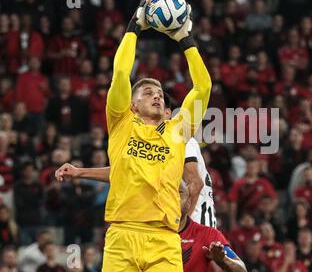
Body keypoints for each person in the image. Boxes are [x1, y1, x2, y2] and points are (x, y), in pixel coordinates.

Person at [84, 0, 210, 272]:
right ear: (132, 104)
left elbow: (202, 87)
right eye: (147, 92)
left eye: (160, 94)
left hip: (164, 240)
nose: (156, 96)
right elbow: (120, 72)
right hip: (121, 236)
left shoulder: (178, 130)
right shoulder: (121, 122)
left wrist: (185, 39)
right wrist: (134, 26)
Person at [55, 93, 216, 228]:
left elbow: (195, 184)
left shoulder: (179, 137)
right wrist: (80, 172)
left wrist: (184, 230)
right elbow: (124, 172)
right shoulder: (150, 144)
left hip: (193, 222)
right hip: (169, 224)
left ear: (167, 114)